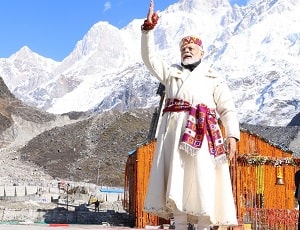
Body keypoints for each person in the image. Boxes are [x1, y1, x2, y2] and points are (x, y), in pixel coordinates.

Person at [141, 1, 240, 229]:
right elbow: (150, 59)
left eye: (192, 48)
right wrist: (148, 31)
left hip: (205, 139)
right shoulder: (171, 74)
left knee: (204, 183)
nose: (187, 50)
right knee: (177, 185)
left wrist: (232, 136)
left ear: (202, 53)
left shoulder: (214, 78)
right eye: (184, 48)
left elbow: (227, 108)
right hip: (175, 140)